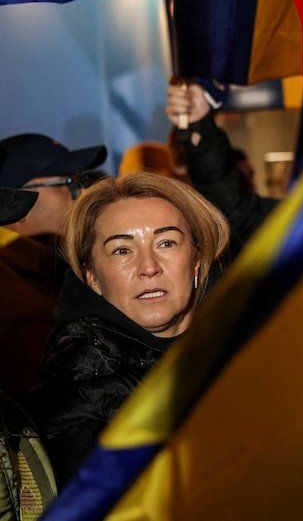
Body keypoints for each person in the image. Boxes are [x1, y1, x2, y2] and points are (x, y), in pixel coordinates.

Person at [27, 173, 229, 483]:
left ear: (197, 261)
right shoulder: (76, 384)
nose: (148, 267)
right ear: (92, 276)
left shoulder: (247, 345)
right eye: (122, 250)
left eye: (166, 242)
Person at [0, 135, 108, 399]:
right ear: (16, 198)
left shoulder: (50, 267)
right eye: (68, 182)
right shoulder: (11, 293)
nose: (83, 194)